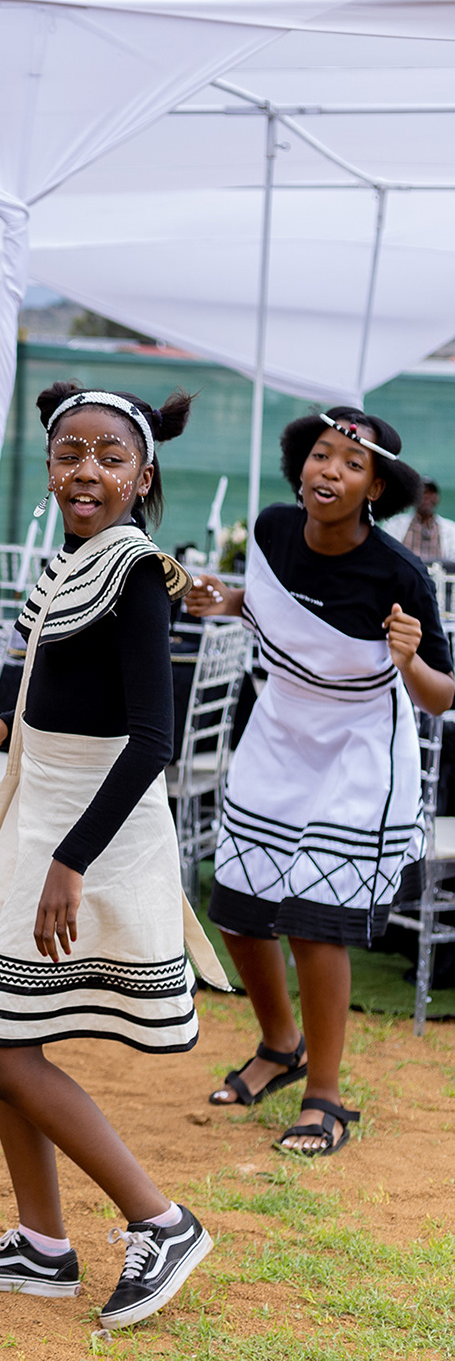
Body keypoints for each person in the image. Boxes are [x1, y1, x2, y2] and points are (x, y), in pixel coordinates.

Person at [0, 383, 225, 1331]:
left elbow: (150, 739)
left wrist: (71, 861)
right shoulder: (76, 563)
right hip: (43, 813)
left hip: (89, 829)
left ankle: (161, 1222)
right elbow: (70, 692)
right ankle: (42, 1246)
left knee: (1, 1049)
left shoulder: (134, 575)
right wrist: (2, 726)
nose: (87, 471)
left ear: (144, 476)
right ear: (49, 468)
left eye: (110, 457)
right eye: (69, 453)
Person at [187, 406, 452, 1155]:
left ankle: (325, 1095)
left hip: (357, 750)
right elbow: (271, 608)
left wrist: (409, 661)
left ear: (376, 488)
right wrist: (227, 601)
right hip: (279, 731)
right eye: (321, 454)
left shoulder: (400, 574)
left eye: (351, 463)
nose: (330, 470)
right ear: (301, 464)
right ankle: (281, 1045)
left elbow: (442, 697)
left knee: (313, 918)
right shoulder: (272, 530)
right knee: (238, 908)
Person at [383, 476, 455, 562]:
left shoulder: (450, 529)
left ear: (437, 498)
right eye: (423, 493)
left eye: (431, 493)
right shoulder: (395, 525)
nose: (427, 497)